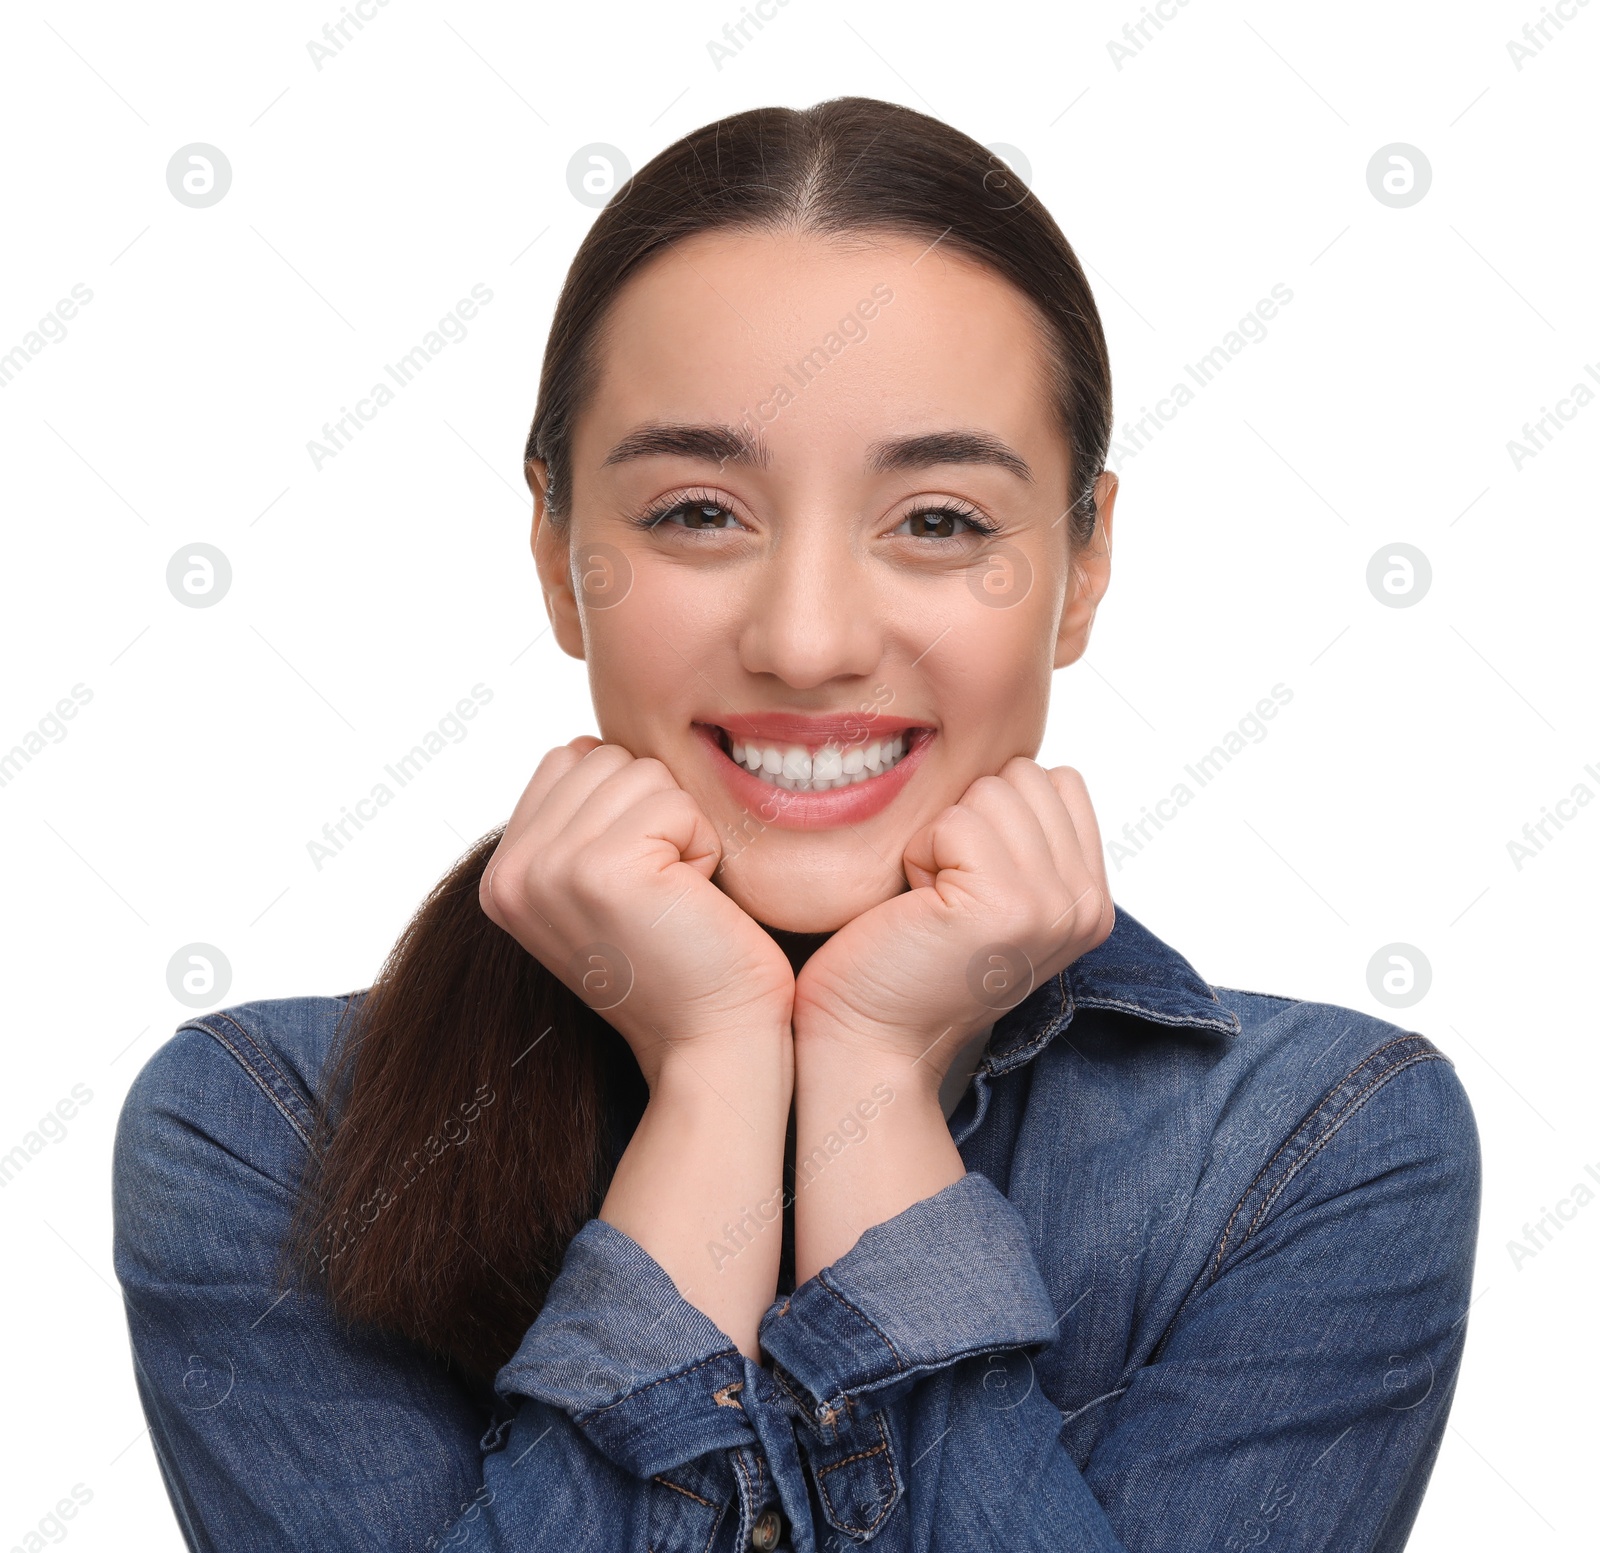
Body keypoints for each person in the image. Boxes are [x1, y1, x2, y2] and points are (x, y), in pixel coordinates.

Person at [113, 97, 1480, 1553]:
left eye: (940, 520)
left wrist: (876, 1085)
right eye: (700, 512)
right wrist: (712, 1077)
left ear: (1083, 566)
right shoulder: (262, 1134)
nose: (811, 639)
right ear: (558, 556)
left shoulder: (1323, 1145)